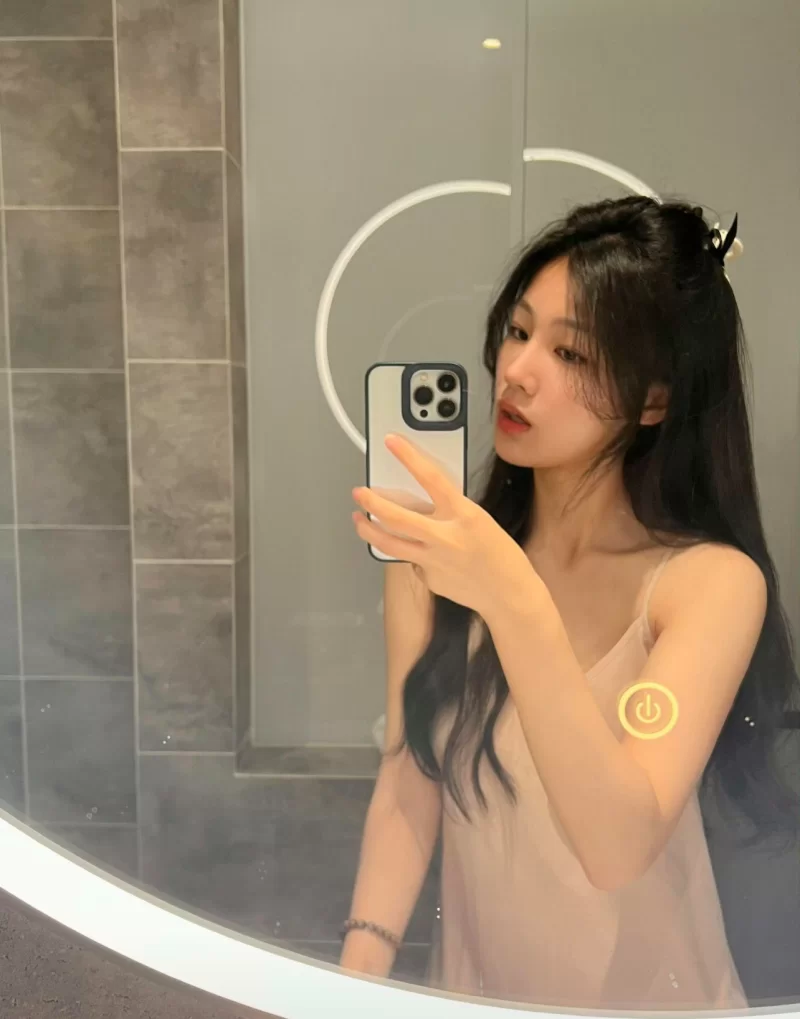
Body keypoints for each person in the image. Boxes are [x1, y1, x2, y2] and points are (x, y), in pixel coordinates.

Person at [340, 196, 799, 1009]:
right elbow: (408, 782)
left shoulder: (707, 584)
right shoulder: (434, 561)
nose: (518, 370)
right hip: (476, 994)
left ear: (653, 399)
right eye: (518, 331)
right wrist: (355, 977)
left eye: (571, 352)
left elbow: (618, 843)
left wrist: (513, 596)